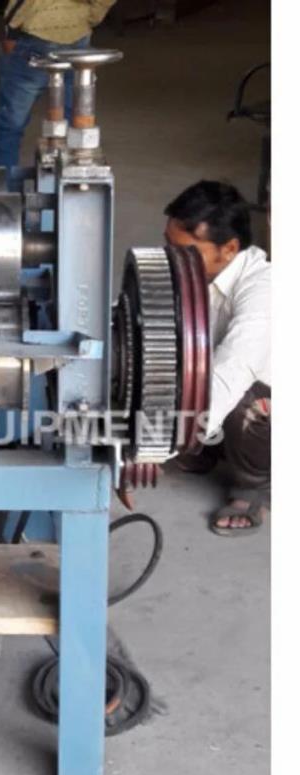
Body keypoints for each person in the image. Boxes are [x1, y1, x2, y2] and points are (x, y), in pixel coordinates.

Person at [164, 181, 271, 536]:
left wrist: (153, 450)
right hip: (219, 400)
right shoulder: (194, 274)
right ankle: (205, 447)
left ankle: (254, 488)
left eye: (185, 251)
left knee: (250, 404)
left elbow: (233, 370)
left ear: (229, 249)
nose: (172, 259)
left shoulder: (265, 288)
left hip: (265, 404)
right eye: (169, 246)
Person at [0, 0, 117, 168]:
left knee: (10, 123)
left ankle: (2, 180)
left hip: (35, 34)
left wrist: (12, 30)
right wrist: (89, 17)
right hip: (77, 36)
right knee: (73, 123)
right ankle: (68, 177)